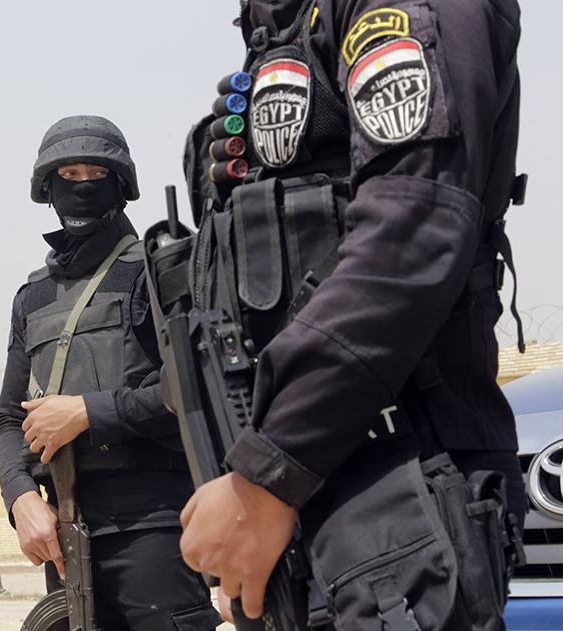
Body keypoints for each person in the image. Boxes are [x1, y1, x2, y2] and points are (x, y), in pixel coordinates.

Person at [172, 1, 526, 628]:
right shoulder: (279, 28)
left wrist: (267, 477)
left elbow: (412, 231)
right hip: (312, 499)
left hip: (398, 490)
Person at [0, 115, 222, 631]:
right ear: (47, 189)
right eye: (67, 174)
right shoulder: (33, 298)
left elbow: (197, 383)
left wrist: (86, 412)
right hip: (65, 529)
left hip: (154, 526)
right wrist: (21, 499)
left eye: (93, 172)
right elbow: (10, 418)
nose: (79, 185)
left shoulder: (155, 271)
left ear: (119, 183)